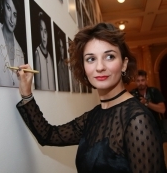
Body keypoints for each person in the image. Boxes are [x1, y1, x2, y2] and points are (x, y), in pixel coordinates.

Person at [16, 23, 166, 172]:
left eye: (109, 56)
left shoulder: (137, 119)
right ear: (84, 67)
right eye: (90, 59)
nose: (99, 67)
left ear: (124, 64)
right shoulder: (93, 116)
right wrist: (26, 93)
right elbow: (48, 135)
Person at [34, 12, 55, 91]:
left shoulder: (50, 57)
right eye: (41, 30)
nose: (43, 36)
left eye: (45, 31)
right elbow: (38, 86)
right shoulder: (37, 54)